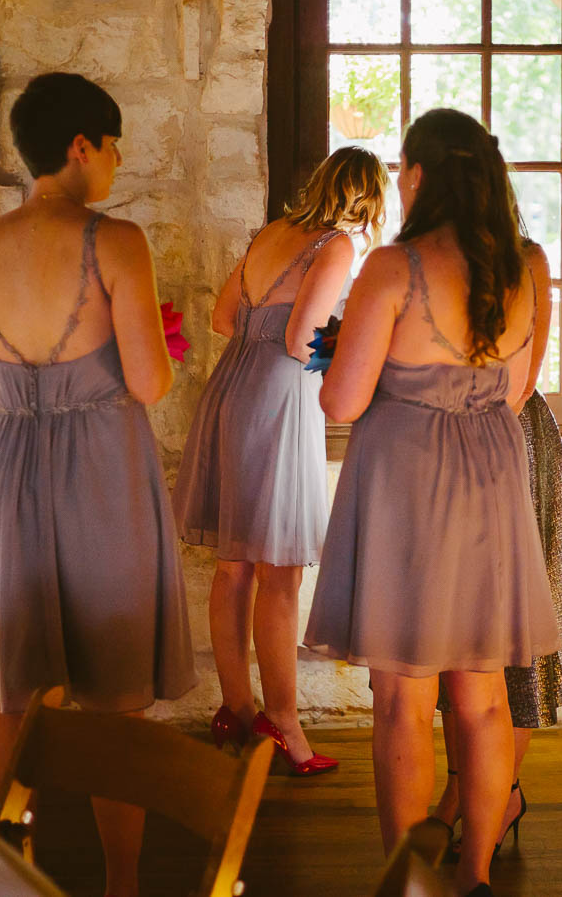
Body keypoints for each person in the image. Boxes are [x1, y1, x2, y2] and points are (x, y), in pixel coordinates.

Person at [0, 73, 196, 897]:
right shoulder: (115, 241)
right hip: (105, 471)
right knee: (115, 693)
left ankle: (7, 869)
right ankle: (120, 882)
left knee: (10, 686)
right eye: (114, 144)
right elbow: (151, 383)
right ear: (80, 147)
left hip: (10, 468)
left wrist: (16, 478)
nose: (118, 162)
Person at [303, 109, 561, 897]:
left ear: (416, 175)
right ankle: (477, 873)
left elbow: (341, 403)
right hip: (489, 475)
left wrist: (367, 362)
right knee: (480, 699)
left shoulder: (393, 268)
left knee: (402, 699)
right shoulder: (527, 265)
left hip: (406, 480)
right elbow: (516, 394)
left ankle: (406, 879)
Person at [175, 146, 387, 774]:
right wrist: (351, 352)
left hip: (229, 387)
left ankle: (235, 710)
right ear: (366, 199)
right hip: (278, 396)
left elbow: (220, 318)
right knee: (282, 571)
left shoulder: (270, 233)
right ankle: (285, 724)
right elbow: (301, 340)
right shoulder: (337, 246)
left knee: (233, 566)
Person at [431, 236, 562, 855]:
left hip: (509, 442)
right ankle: (459, 790)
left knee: (508, 642)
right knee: (455, 635)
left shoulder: (527, 258)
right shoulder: (426, 256)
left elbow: (523, 381)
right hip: (441, 442)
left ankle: (501, 794)